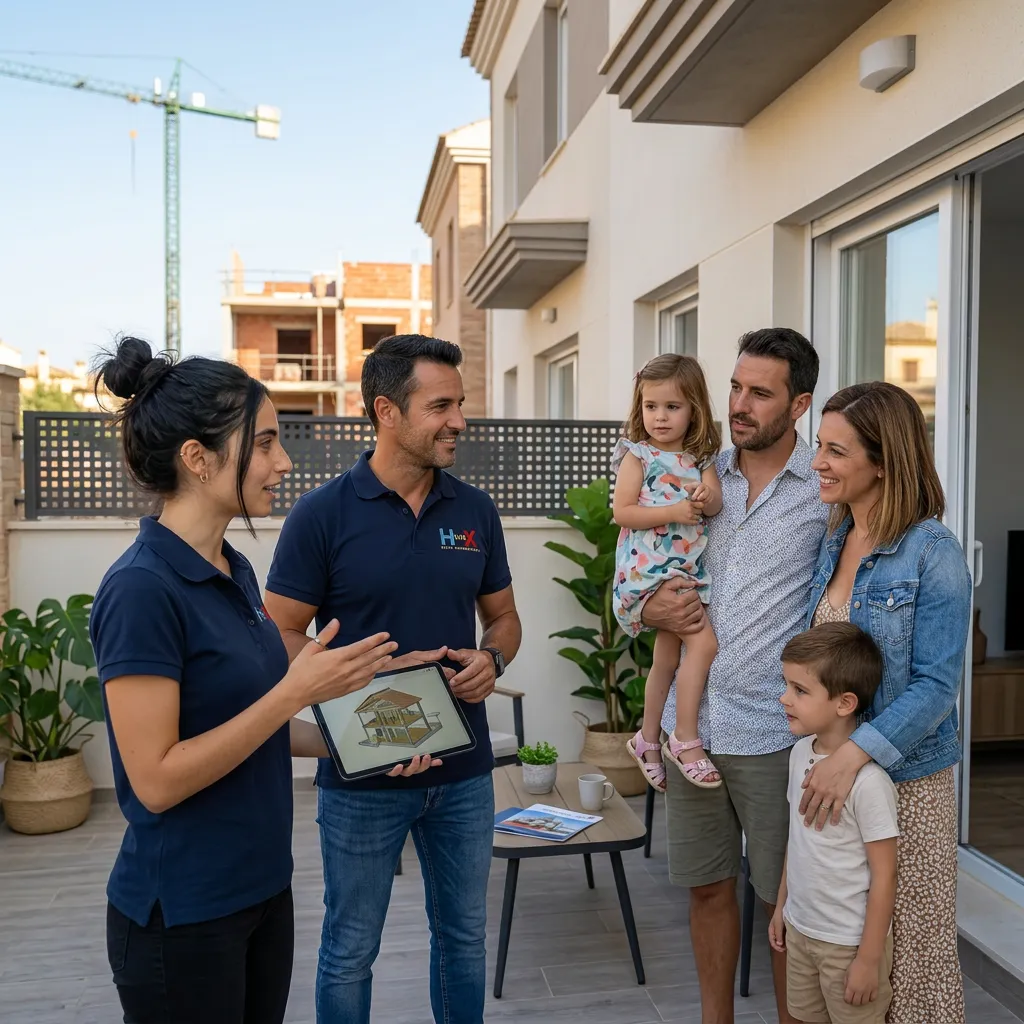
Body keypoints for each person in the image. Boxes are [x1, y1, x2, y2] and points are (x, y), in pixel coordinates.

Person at [88, 336, 430, 1024]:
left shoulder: (234, 570)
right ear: (197, 458)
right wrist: (293, 692)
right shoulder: (140, 590)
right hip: (181, 914)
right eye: (267, 442)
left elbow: (258, 724)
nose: (284, 462)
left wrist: (359, 746)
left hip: (263, 890)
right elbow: (155, 780)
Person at [263, 334, 523, 1024]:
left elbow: (504, 619)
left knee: (463, 938)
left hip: (463, 772)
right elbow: (279, 634)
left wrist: (490, 660)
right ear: (386, 410)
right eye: (441, 406)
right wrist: (352, 685)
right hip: (362, 776)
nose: (459, 421)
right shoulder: (321, 515)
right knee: (350, 948)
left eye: (460, 404)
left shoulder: (475, 511)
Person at [619, 327, 828, 1024]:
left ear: (798, 405)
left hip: (774, 729)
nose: (738, 404)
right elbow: (637, 562)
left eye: (759, 393)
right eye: (735, 386)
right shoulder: (694, 470)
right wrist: (646, 607)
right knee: (707, 890)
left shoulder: (824, 493)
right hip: (695, 734)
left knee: (782, 900)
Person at [800, 381, 971, 1024]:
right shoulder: (834, 537)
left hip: (907, 781)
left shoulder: (934, 551)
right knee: (849, 947)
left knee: (915, 955)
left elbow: (936, 684)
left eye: (836, 450)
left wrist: (857, 755)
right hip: (836, 779)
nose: (819, 461)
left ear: (883, 461)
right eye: (821, 445)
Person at [770, 622, 899, 1024]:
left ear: (844, 703)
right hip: (802, 930)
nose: (784, 698)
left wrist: (868, 959)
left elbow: (885, 876)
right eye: (787, 685)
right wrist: (781, 908)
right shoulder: (798, 755)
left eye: (800, 690)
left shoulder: (870, 782)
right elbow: (798, 839)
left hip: (848, 946)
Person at [613, 353, 723, 791]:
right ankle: (686, 738)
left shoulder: (701, 458)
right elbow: (622, 512)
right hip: (648, 573)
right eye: (650, 406)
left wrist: (703, 494)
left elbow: (714, 502)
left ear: (694, 408)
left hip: (681, 573)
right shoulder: (638, 456)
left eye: (672, 407)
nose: (659, 416)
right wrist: (678, 509)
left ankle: (647, 737)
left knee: (666, 659)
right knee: (705, 644)